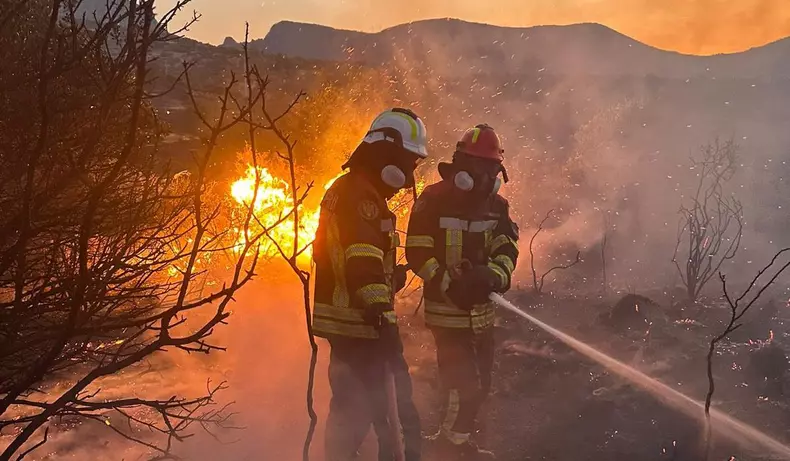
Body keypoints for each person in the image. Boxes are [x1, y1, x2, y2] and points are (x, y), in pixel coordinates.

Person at [312, 108, 428, 461]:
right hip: (363, 327)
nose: (408, 175)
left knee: (349, 413)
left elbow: (343, 259)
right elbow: (361, 261)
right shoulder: (361, 197)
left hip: (349, 325)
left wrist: (388, 278)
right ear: (386, 155)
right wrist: (382, 315)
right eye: (408, 162)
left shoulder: (346, 189)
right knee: (397, 417)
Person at [405, 124, 519, 460]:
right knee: (462, 385)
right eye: (479, 168)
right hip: (448, 314)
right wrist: (448, 283)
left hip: (482, 315)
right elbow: (418, 252)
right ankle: (447, 448)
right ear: (461, 168)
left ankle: (457, 441)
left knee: (481, 385)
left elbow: (506, 249)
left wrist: (493, 276)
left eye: (492, 170)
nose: (486, 177)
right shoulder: (433, 200)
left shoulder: (497, 206)